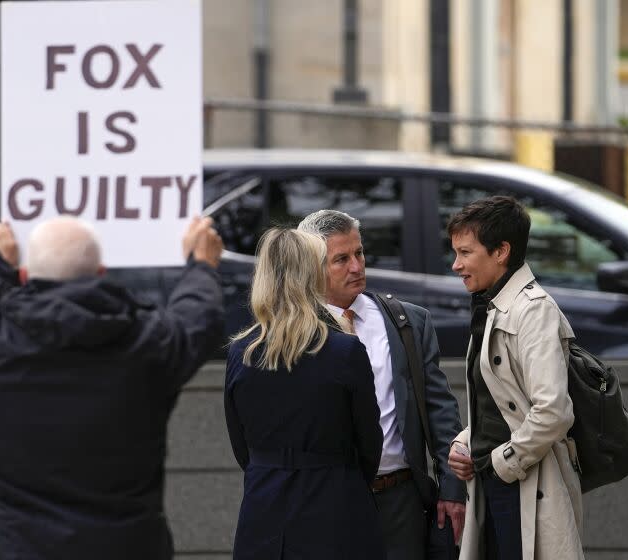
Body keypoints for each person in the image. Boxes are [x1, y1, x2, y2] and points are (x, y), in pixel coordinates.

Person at [0, 215, 225, 560]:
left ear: (24, 276)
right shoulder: (146, 347)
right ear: (101, 272)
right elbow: (199, 317)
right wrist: (202, 265)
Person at [298, 210, 466, 560]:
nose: (357, 267)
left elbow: (440, 410)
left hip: (400, 499)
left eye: (359, 254)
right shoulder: (295, 334)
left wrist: (452, 488)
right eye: (341, 259)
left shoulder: (406, 322)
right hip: (327, 503)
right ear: (311, 267)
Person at [224, 227, 385, 560]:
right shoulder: (345, 351)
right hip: (337, 509)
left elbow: (241, 446)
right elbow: (370, 441)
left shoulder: (241, 353)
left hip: (264, 510)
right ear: (313, 276)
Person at [445, 196, 584, 560]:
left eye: (465, 252)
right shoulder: (491, 304)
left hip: (522, 485)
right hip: (496, 482)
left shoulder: (533, 311)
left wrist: (501, 462)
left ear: (501, 251)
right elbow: (499, 402)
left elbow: (553, 410)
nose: (456, 265)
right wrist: (466, 442)